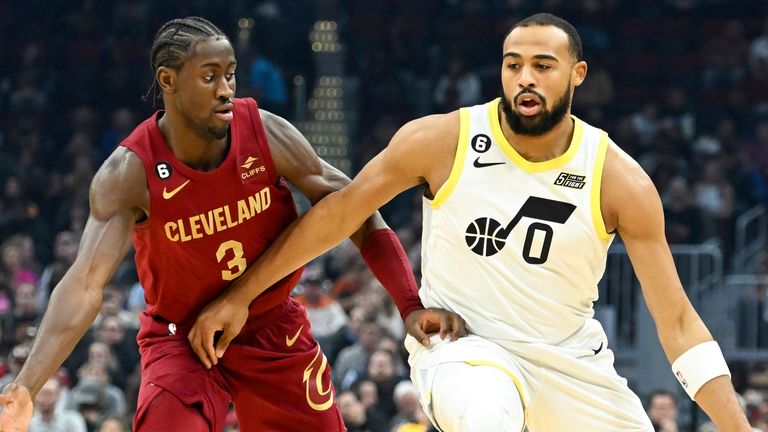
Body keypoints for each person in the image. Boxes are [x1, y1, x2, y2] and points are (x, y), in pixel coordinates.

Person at [189, 13, 751, 431]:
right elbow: (339, 213)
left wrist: (739, 428)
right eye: (513, 65)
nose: (524, 78)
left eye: (543, 66)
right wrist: (242, 294)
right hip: (465, 349)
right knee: (487, 417)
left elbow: (678, 324)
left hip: (571, 361)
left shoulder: (618, 179)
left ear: (577, 75)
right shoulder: (443, 139)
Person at [0, 16, 465, 432]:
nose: (226, 89)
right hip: (180, 339)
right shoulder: (129, 173)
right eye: (209, 77)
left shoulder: (266, 132)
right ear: (168, 81)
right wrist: (25, 386)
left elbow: (356, 208)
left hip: (270, 328)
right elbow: (83, 284)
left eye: (230, 74)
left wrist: (408, 304)